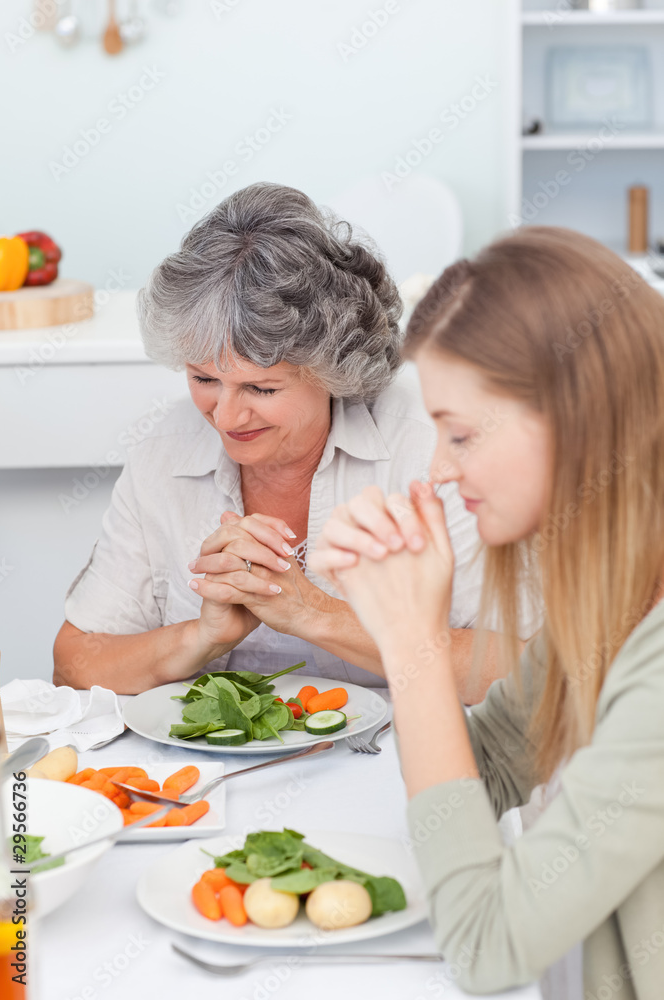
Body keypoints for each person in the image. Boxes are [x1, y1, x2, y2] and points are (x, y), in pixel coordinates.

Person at [309, 226, 664, 998]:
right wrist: (411, 640)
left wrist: (413, 646)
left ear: (578, 417)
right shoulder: (615, 595)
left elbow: (486, 949)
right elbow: (492, 763)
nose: (438, 472)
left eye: (460, 434)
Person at [53, 182, 508, 698]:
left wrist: (314, 613)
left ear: (334, 370)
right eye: (204, 380)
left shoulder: (430, 449)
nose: (225, 416)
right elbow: (73, 664)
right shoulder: (165, 452)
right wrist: (199, 639)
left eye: (261, 387)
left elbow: (522, 668)